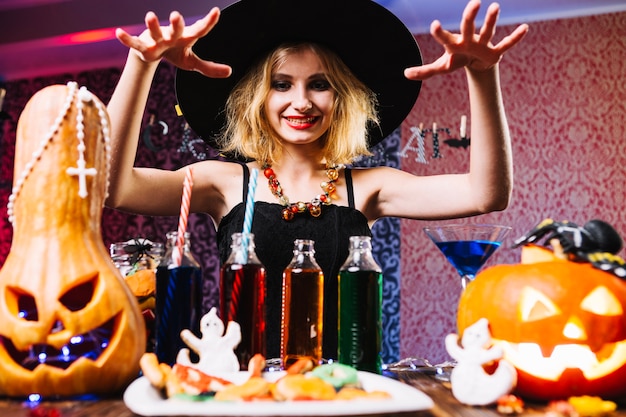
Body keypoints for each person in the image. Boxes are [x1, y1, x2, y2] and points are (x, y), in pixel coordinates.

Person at [106, 0, 528, 361]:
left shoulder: (369, 187)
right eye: (282, 84)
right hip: (243, 390)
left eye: (320, 85)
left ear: (342, 97)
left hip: (343, 384)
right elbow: (116, 188)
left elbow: (485, 194)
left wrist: (483, 74)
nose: (302, 101)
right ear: (258, 97)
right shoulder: (222, 182)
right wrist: (142, 64)